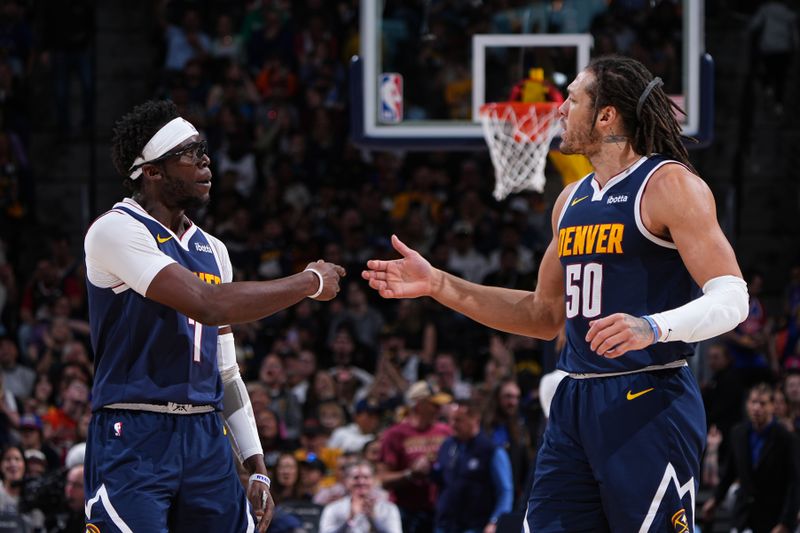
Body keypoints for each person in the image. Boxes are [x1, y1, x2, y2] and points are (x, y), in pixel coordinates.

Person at [363, 55, 749, 531]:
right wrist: (439, 284)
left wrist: (653, 326)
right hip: (575, 400)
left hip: (648, 395)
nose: (559, 110)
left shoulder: (668, 184)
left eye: (572, 99)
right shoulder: (570, 201)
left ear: (606, 114)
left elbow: (733, 297)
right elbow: (543, 315)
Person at [83, 100, 346, 532]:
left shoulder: (213, 249)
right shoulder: (116, 230)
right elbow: (207, 303)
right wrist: (309, 282)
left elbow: (225, 372)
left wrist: (256, 464)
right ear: (152, 171)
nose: (206, 161)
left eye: (204, 149)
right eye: (190, 152)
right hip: (135, 432)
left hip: (206, 437)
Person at [701, 384, 800, 533]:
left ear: (772, 406)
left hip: (774, 518)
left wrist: (786, 522)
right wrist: (715, 500)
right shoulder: (738, 433)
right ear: (747, 404)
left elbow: (794, 483)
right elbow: (730, 472)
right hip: (743, 516)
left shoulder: (786, 438)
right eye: (753, 402)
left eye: (762, 403)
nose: (757, 408)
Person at [432, 400, 513, 533]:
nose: (452, 425)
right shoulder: (447, 445)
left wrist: (495, 521)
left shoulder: (491, 451)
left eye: (458, 420)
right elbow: (442, 479)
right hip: (445, 524)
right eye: (451, 420)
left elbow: (505, 491)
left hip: (474, 526)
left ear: (475, 420)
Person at [318, 459, 402, 533]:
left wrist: (374, 519)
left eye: (366, 477)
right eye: (356, 478)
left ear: (373, 480)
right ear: (346, 481)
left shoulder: (388, 508)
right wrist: (348, 521)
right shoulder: (333, 508)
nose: (361, 482)